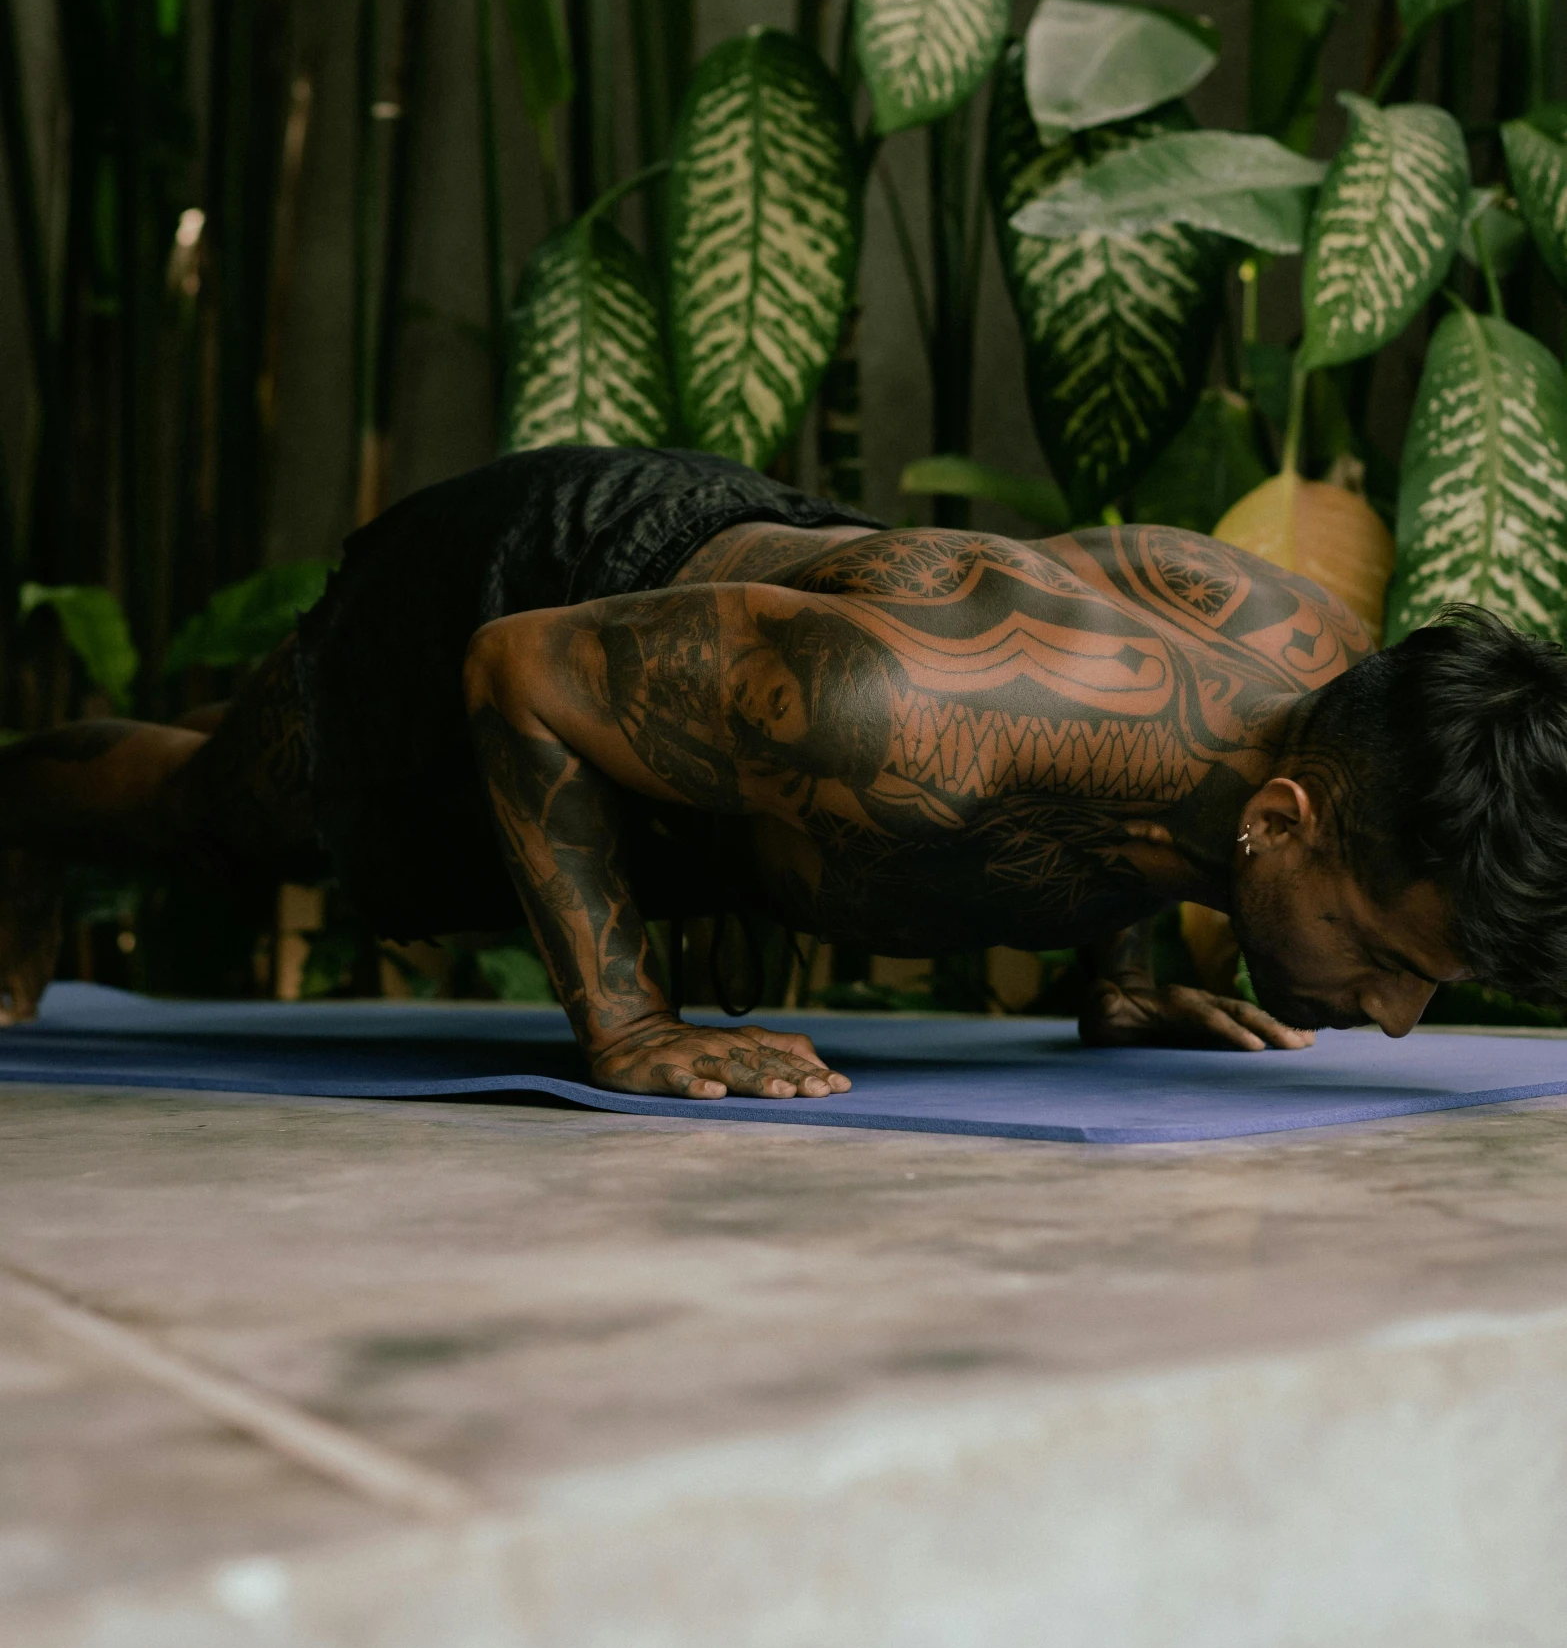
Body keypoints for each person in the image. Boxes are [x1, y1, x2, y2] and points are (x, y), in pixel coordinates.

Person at [1, 446, 1553, 1100]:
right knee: (211, 813)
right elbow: (517, 674)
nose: (1396, 1012)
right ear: (1289, 826)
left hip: (753, 596)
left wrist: (1121, 978)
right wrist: (629, 1024)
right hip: (510, 587)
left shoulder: (1322, 683)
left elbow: (1147, 771)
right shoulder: (894, 715)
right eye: (1386, 958)